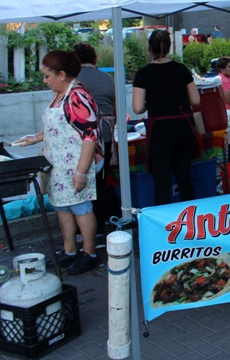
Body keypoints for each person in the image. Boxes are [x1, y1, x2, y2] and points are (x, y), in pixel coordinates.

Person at [17, 50, 102, 275]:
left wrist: (81, 171)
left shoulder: (77, 96)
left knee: (81, 208)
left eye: (47, 76)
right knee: (62, 207)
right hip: (59, 166)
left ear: (62, 74)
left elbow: (89, 136)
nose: (45, 80)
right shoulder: (60, 95)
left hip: (76, 164)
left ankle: (90, 253)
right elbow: (60, 126)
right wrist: (36, 137)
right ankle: (70, 250)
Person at [132, 30, 201, 205]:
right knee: (185, 179)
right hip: (182, 128)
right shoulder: (181, 69)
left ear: (149, 48)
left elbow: (138, 107)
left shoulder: (143, 73)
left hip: (160, 132)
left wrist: (152, 103)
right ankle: (191, 221)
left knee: (161, 183)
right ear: (170, 47)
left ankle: (165, 226)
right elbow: (195, 100)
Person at [74, 42, 117, 240]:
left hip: (82, 137)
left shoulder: (72, 80)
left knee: (84, 182)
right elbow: (116, 111)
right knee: (102, 180)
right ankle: (105, 223)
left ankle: (86, 230)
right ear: (95, 58)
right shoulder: (107, 78)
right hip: (106, 133)